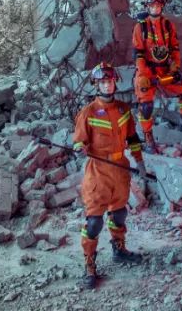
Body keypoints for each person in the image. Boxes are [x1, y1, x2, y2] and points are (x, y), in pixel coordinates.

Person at [73, 62, 147, 289]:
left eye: (110, 81)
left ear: (115, 82)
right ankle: (89, 265)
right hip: (98, 171)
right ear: (96, 85)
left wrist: (140, 163)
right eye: (103, 82)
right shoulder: (88, 112)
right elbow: (79, 141)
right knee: (94, 221)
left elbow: (133, 138)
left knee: (119, 213)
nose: (107, 85)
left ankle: (119, 250)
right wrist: (80, 148)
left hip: (120, 168)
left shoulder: (124, 109)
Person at [132, 0, 182, 151]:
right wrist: (143, 75)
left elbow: (174, 48)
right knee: (146, 106)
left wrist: (175, 66)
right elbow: (138, 53)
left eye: (158, 5)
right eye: (152, 5)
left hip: (165, 68)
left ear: (162, 7)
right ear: (148, 7)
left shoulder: (168, 25)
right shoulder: (141, 27)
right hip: (147, 69)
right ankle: (148, 136)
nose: (155, 8)